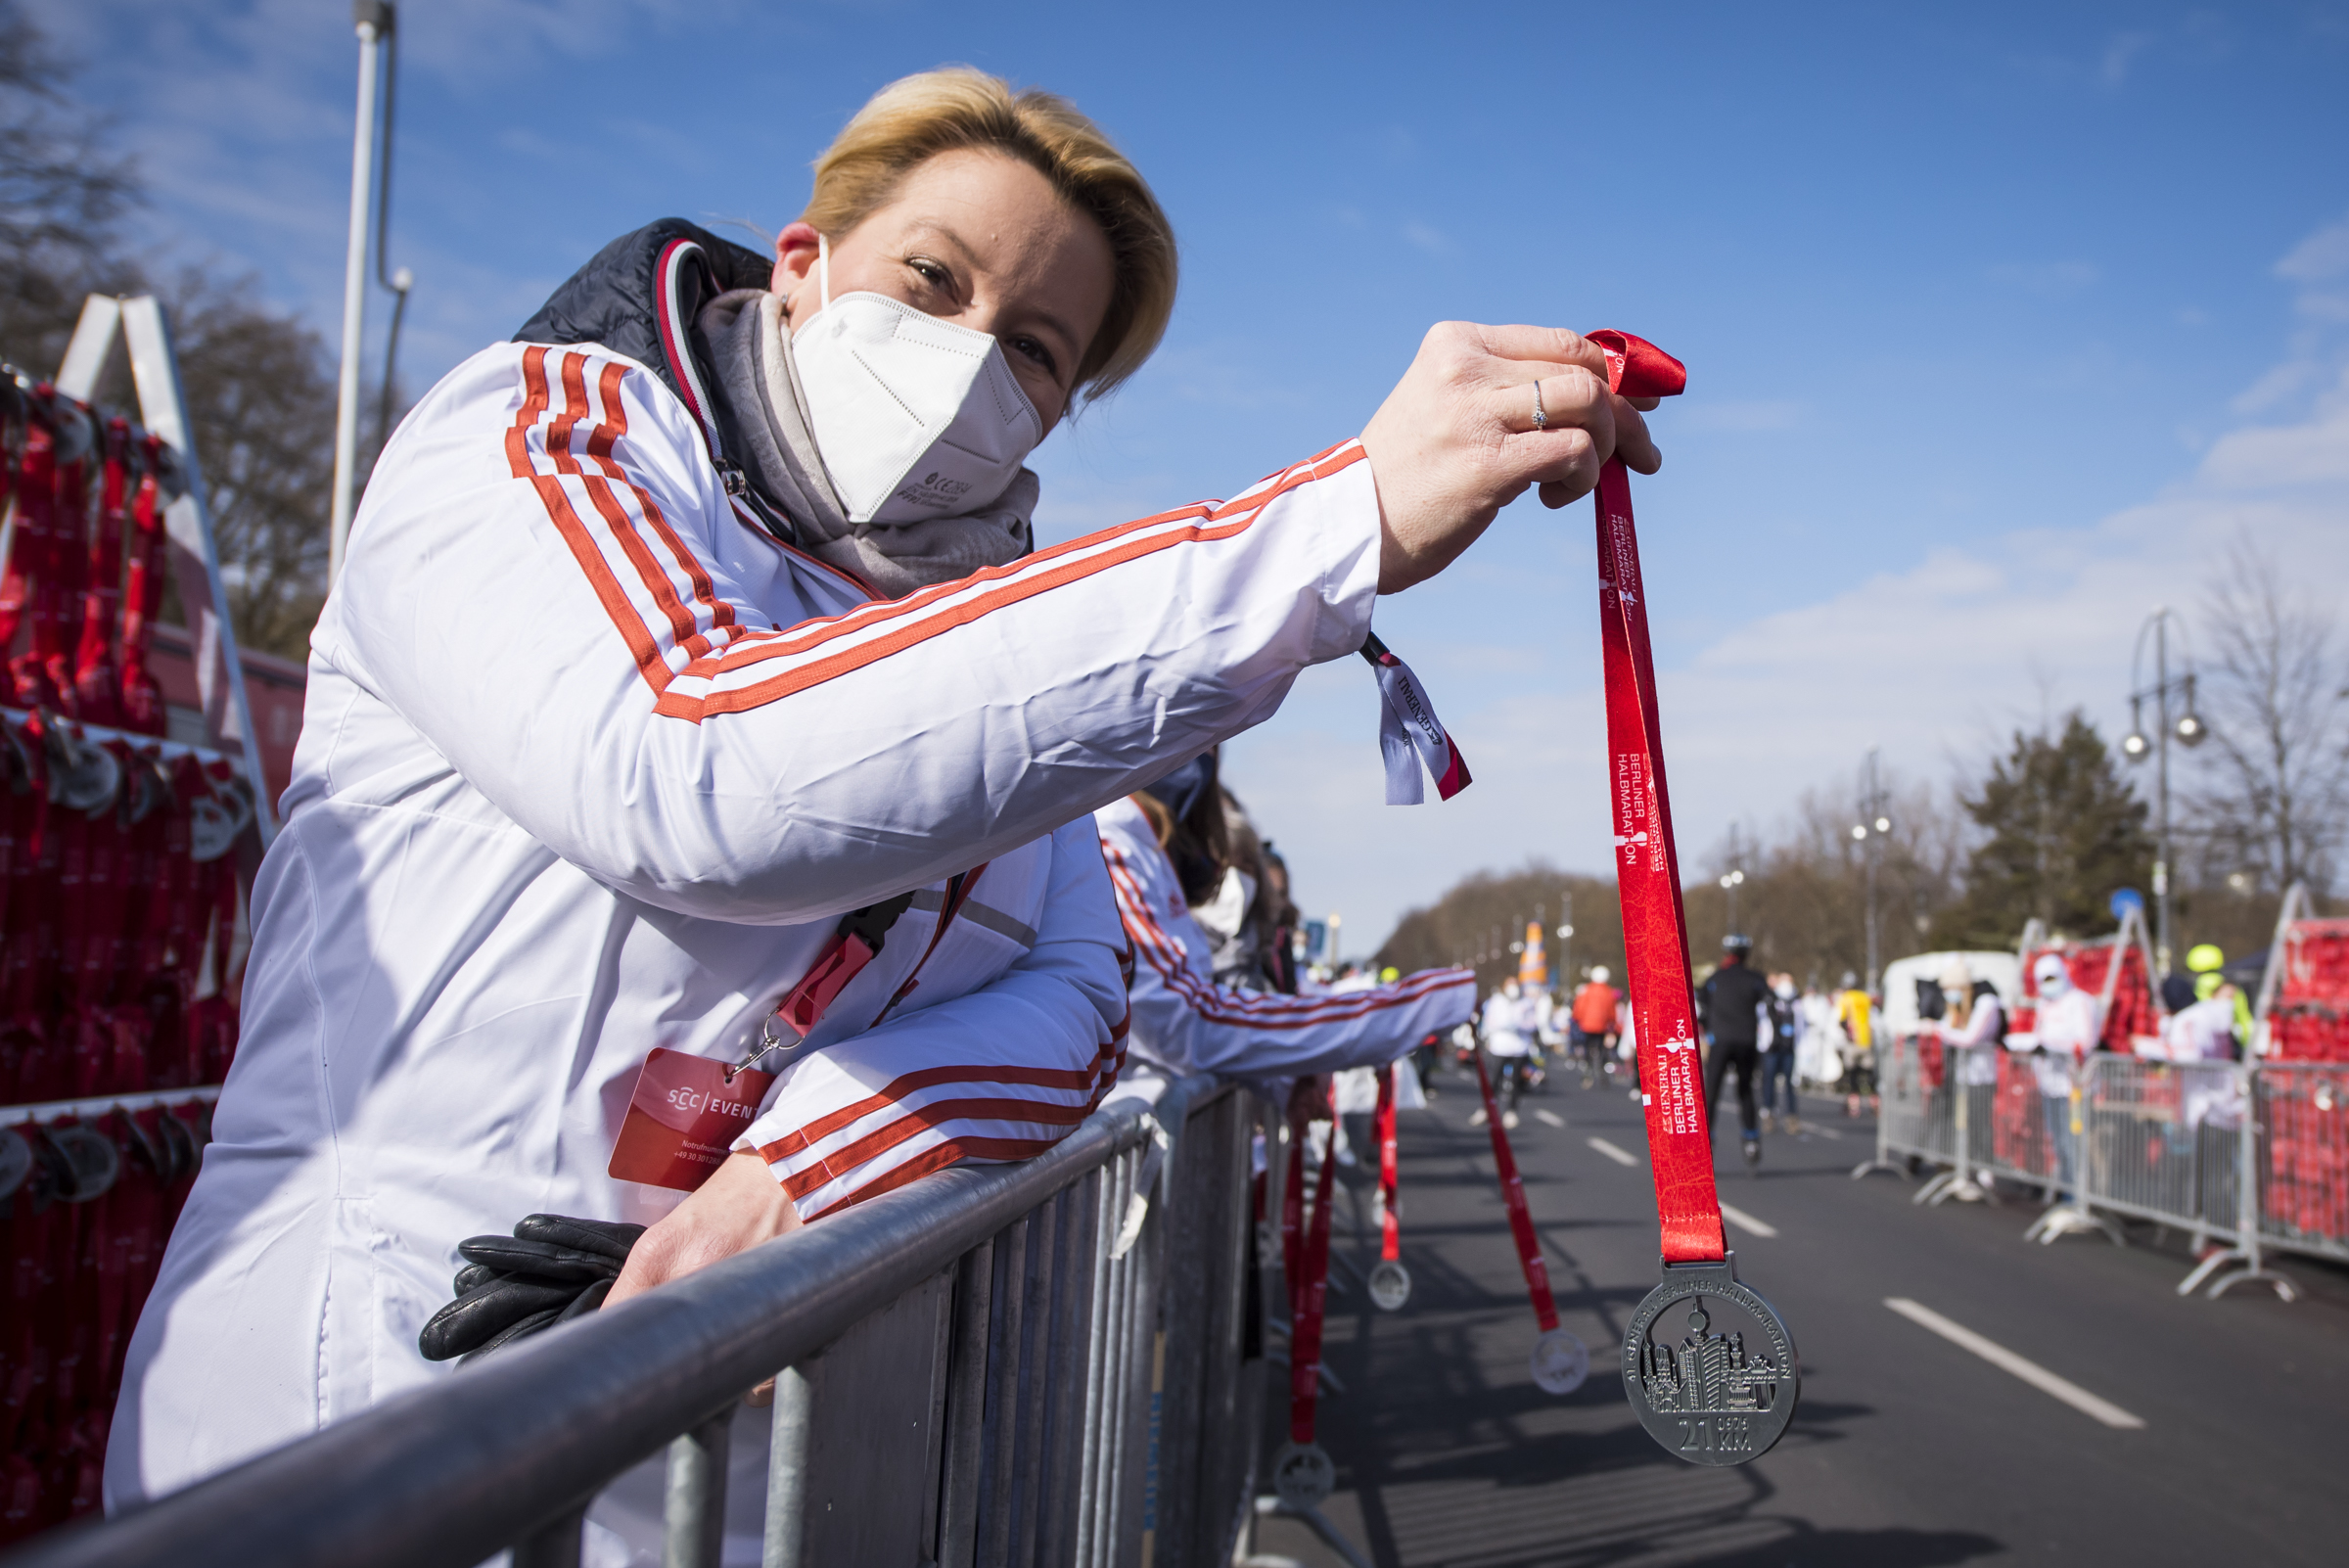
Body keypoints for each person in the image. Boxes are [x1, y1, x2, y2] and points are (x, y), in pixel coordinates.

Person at [107, 67, 1664, 1520]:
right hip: (367, 1404)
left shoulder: (999, 649)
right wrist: (1327, 529)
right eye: (933, 280)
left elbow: (1079, 992)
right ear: (799, 264)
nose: (973, 355)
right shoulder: (540, 432)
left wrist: (802, 1171)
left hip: (726, 1435)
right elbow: (697, 770)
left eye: (1039, 350)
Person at [1098, 757, 1471, 1100]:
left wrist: (1286, 1083)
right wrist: (1410, 1009)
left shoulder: (1141, 845)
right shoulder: (1116, 844)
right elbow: (1189, 1025)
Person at [2014, 953, 2101, 1198]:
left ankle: (2080, 1198)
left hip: (2075, 1087)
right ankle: (2067, 1193)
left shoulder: (2080, 1001)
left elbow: (2085, 1041)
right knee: (2059, 1143)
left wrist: (2048, 1043)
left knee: (2075, 1144)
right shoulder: (2043, 1004)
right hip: (2050, 1085)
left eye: (2052, 977)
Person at [1697, 934, 1772, 1169]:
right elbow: (1770, 1006)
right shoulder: (1756, 979)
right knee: (1746, 1091)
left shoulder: (1714, 979)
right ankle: (1750, 1138)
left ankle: (1707, 1142)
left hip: (1720, 1041)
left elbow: (1701, 1011)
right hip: (1747, 1041)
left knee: (1712, 1093)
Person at [1475, 978, 1537, 1128]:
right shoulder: (1496, 1001)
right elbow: (1489, 1022)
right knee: (1493, 1080)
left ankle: (1511, 1111)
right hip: (1499, 1046)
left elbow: (1533, 1024)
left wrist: (1520, 1026)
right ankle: (1486, 1110)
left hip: (1519, 1047)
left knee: (1516, 1082)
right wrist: (1502, 1026)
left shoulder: (1526, 1003)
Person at [1759, 972, 1801, 1132]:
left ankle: (1791, 1116)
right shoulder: (1768, 1001)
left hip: (1788, 1047)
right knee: (1769, 1081)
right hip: (1772, 1047)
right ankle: (1768, 1113)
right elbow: (1763, 1021)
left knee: (1789, 1082)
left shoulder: (1796, 1003)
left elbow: (1800, 1026)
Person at [1836, 971, 1877, 1117]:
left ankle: (1854, 1105)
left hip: (1853, 1041)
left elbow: (1841, 1020)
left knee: (1853, 1073)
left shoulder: (1845, 998)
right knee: (1869, 1072)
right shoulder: (1865, 997)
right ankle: (1875, 1101)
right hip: (1867, 1039)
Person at [1572, 965, 1621, 1083]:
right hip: (1602, 1026)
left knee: (1588, 1046)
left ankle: (1588, 1067)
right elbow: (1612, 1012)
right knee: (1600, 1047)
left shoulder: (1586, 990)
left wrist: (1578, 1019)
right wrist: (1612, 1023)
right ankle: (1601, 1067)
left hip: (1587, 1025)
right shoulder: (1609, 992)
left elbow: (1579, 1008)